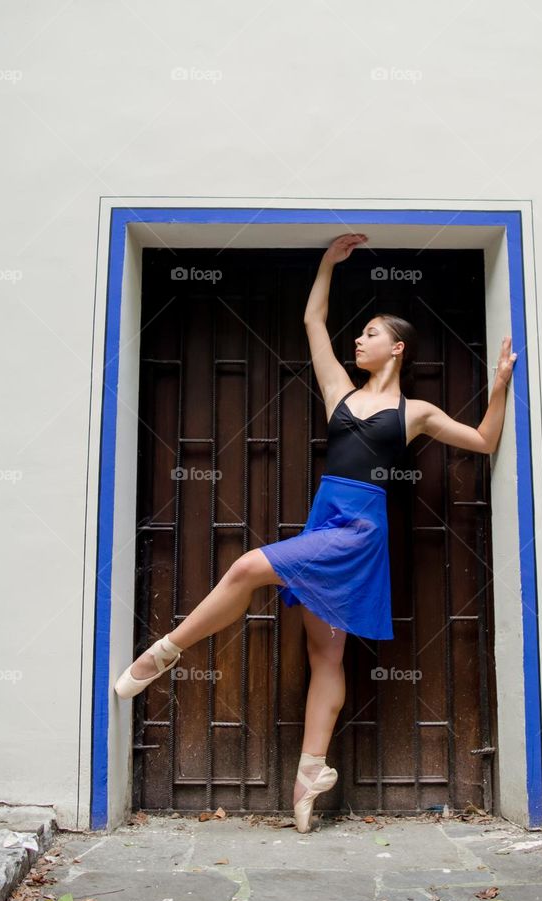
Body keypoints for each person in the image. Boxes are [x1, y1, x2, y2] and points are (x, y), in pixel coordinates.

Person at [114, 232, 517, 831]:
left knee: (249, 566)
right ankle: (310, 775)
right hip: (325, 516)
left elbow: (484, 442)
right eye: (359, 334)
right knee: (324, 654)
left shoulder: (418, 414)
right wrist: (327, 263)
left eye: (372, 334)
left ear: (398, 349)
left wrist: (501, 384)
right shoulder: (339, 393)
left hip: (360, 529)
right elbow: (312, 319)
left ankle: (167, 650)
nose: (358, 339)